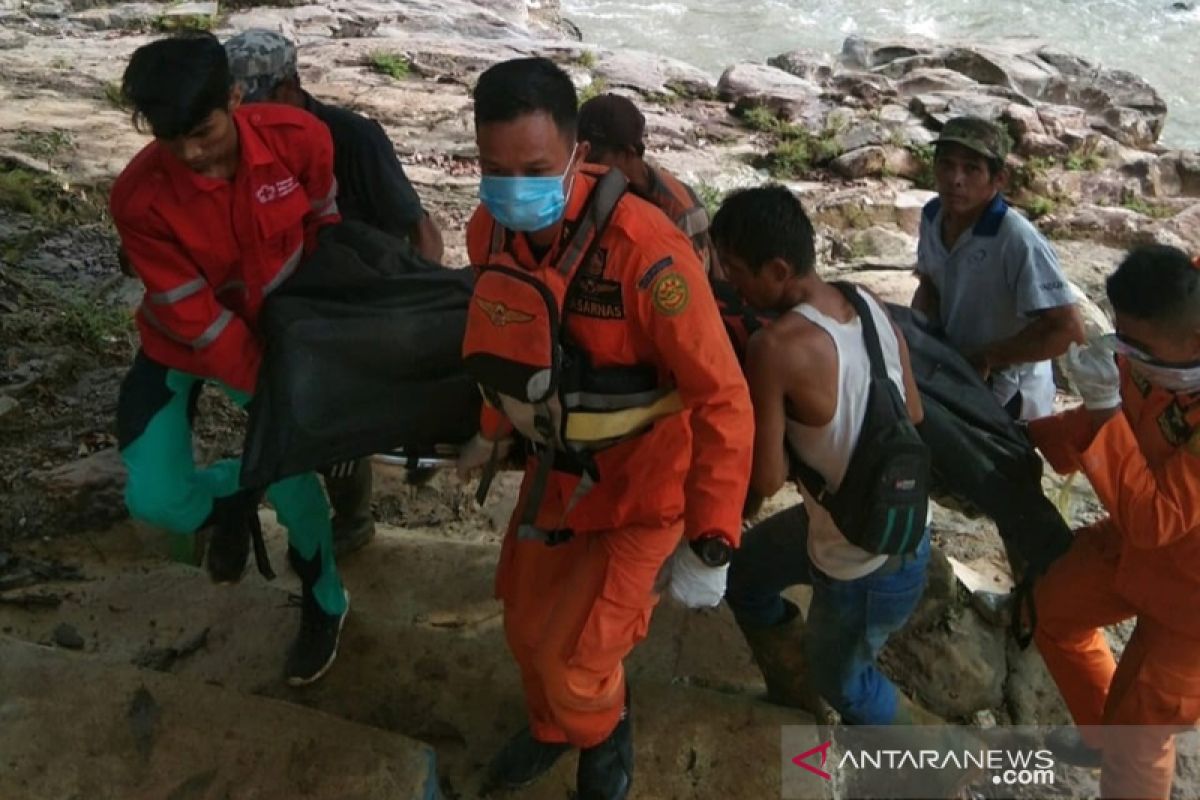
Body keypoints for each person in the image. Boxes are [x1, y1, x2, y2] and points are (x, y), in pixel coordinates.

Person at [455, 57, 753, 800]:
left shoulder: (647, 255)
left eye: (534, 168)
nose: (514, 187)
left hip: (645, 489)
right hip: (556, 474)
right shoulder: (488, 231)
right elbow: (504, 341)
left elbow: (722, 396)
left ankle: (604, 727)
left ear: (576, 155)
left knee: (578, 658)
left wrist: (712, 539)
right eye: (496, 168)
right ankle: (555, 729)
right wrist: (493, 430)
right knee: (525, 629)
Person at [110, 33, 349, 686]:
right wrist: (271, 390)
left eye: (203, 131)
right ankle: (239, 492)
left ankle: (324, 597)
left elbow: (326, 227)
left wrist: (317, 345)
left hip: (275, 336)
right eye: (170, 137)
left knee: (295, 478)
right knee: (156, 497)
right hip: (183, 343)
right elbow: (197, 318)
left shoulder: (300, 139)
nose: (190, 152)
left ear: (236, 98)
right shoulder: (138, 200)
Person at [714, 185, 937, 725]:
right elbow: (913, 412)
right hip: (906, 523)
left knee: (847, 685)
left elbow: (765, 478)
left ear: (777, 269)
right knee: (746, 576)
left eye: (735, 271)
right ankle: (794, 681)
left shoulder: (774, 348)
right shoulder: (865, 300)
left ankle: (930, 765)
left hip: (859, 563)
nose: (728, 283)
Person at [223, 28, 448, 555]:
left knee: (349, 406)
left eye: (253, 103)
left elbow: (420, 230)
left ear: (290, 88)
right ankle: (343, 507)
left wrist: (413, 302)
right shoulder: (240, 144)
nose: (246, 119)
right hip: (299, 291)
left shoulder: (354, 139)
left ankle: (368, 496)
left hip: (367, 285)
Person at [1032, 245, 1200, 799]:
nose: (1126, 354)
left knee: (1140, 734)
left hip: (1192, 600)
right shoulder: (1170, 322)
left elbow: (1158, 517)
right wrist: (1037, 441)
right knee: (1053, 609)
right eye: (1121, 339)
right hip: (1137, 543)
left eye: (1138, 346)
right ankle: (1099, 735)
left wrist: (1104, 406)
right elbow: (1132, 409)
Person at [912, 115, 1083, 420]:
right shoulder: (933, 215)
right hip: (954, 371)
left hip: (1009, 389)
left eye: (972, 169)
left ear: (999, 179)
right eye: (947, 164)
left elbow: (1068, 330)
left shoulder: (1016, 240)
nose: (956, 179)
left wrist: (989, 357)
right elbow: (929, 285)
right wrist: (920, 340)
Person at [576, 93, 724, 279]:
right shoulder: (576, 183)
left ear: (629, 153)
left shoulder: (682, 211)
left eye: (594, 158)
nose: (582, 165)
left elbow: (690, 285)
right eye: (578, 152)